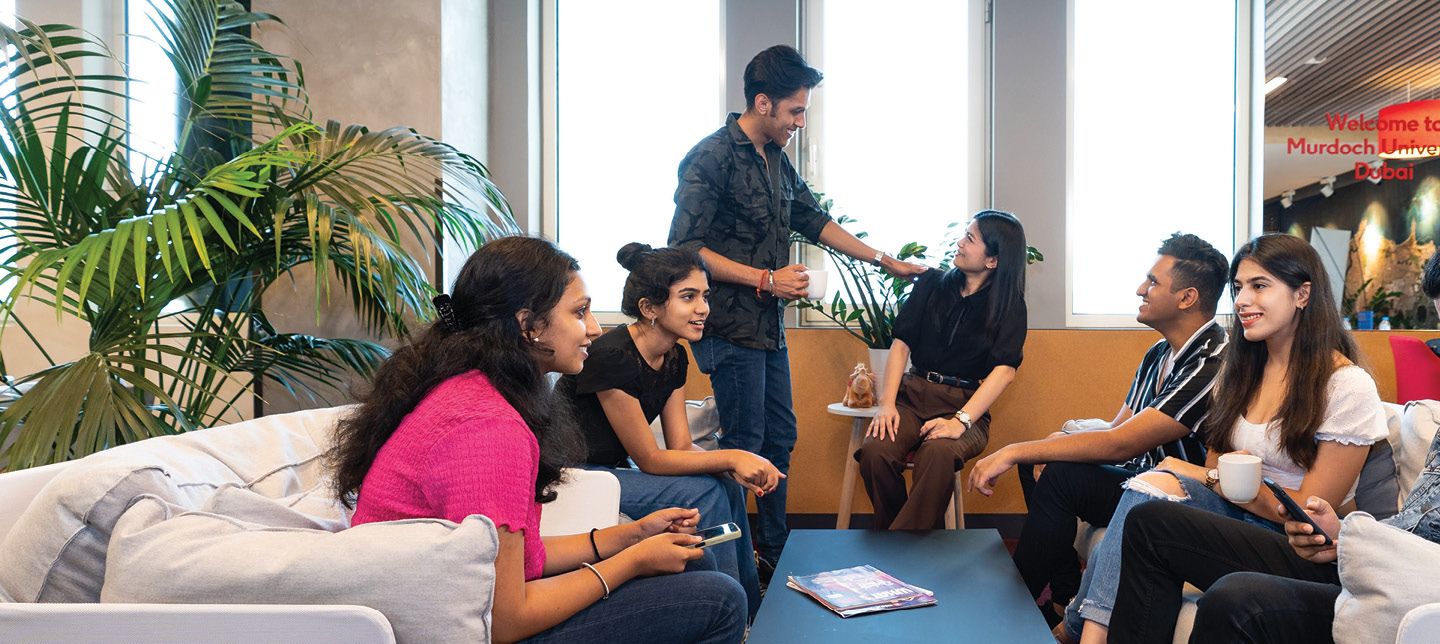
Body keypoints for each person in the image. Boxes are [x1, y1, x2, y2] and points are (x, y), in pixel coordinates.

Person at [330, 237, 746, 643]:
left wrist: (632, 535)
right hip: (448, 622)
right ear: (528, 326)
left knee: (695, 559)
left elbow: (519, 558)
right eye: (580, 312)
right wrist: (632, 562)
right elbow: (507, 620)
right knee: (720, 599)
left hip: (459, 598)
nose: (595, 328)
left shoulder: (478, 392)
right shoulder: (487, 428)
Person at [669, 44, 926, 571]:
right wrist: (766, 279)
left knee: (779, 439)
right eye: (795, 111)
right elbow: (684, 247)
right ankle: (736, 566)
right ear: (763, 103)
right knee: (744, 446)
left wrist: (884, 261)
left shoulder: (775, 160)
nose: (800, 122)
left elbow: (814, 220)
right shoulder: (710, 157)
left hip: (767, 330)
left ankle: (773, 553)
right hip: (728, 327)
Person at [1062, 233, 1388, 644]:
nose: (1240, 301)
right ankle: (1089, 631)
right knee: (1146, 496)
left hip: (1294, 542)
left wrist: (1215, 481)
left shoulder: (1345, 385)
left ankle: (1080, 628)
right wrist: (1210, 478)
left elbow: (1308, 511)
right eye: (1238, 288)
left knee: (1155, 510)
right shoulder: (1241, 369)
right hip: (1238, 511)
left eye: (1259, 286)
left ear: (1303, 294)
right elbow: (1216, 462)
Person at [965, 233, 1229, 623]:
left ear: (1187, 297)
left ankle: (1010, 610)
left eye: (1153, 282)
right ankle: (1061, 591)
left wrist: (1013, 449)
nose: (1141, 289)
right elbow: (1119, 426)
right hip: (1141, 481)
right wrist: (1055, 442)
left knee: (1057, 474)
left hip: (1182, 501)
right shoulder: (1159, 353)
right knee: (1047, 459)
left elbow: (1120, 444)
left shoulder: (1211, 360)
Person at [554, 242, 781, 618]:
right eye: (688, 297)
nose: (703, 308)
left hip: (613, 471)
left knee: (725, 482)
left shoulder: (673, 355)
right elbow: (651, 459)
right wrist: (734, 454)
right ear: (650, 308)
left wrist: (730, 466)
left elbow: (681, 444)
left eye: (705, 296)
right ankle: (723, 613)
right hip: (576, 476)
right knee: (703, 494)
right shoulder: (614, 357)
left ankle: (751, 608)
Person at [856, 210, 1028, 530]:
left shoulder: (1010, 305)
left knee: (938, 454)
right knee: (875, 451)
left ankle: (898, 550)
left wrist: (959, 422)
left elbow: (1004, 371)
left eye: (970, 239)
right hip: (912, 396)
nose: (959, 243)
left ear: (993, 260)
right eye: (964, 234)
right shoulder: (932, 283)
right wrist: (887, 404)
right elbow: (901, 345)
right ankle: (909, 542)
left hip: (964, 406)